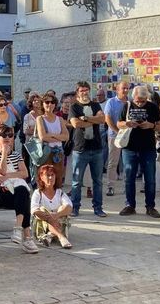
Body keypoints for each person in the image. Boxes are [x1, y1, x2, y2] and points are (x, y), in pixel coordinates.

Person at [0, 125, 39, 254]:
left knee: (22, 192)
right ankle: (27, 237)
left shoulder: (16, 155)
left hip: (16, 192)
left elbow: (25, 173)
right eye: (3, 135)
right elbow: (1, 170)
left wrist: (7, 176)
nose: (7, 138)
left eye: (10, 135)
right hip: (0, 193)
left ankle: (18, 229)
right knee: (24, 197)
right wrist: (4, 153)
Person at [117, 86, 160, 218]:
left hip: (148, 147)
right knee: (129, 178)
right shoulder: (127, 106)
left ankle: (150, 206)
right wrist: (127, 124)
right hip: (129, 147)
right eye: (138, 101)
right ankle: (129, 205)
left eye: (143, 101)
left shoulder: (152, 107)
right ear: (133, 97)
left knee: (150, 178)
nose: (140, 103)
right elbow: (118, 123)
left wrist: (151, 125)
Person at [68, 81, 107, 217]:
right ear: (77, 92)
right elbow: (75, 123)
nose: (84, 92)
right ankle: (75, 208)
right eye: (81, 90)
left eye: (86, 90)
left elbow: (102, 119)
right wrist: (93, 119)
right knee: (76, 182)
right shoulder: (74, 107)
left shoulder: (95, 105)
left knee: (98, 181)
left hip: (96, 148)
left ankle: (98, 208)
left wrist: (86, 118)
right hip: (80, 149)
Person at [31, 165, 73, 249]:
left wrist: (56, 215)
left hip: (59, 222)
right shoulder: (38, 193)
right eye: (47, 175)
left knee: (63, 208)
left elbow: (69, 207)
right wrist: (50, 218)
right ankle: (61, 237)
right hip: (43, 225)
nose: (50, 178)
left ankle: (49, 236)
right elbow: (34, 210)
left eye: (52, 175)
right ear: (41, 177)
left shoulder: (60, 192)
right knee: (42, 210)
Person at [103, 81, 131, 197]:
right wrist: (116, 131)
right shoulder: (111, 102)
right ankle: (110, 186)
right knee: (113, 162)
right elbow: (107, 118)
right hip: (114, 136)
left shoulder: (131, 102)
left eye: (127, 88)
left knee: (127, 163)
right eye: (123, 88)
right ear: (117, 90)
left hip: (129, 137)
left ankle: (127, 186)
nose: (125, 90)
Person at [36, 94, 69, 185]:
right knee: (45, 181)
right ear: (42, 104)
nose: (49, 104)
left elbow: (66, 137)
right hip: (46, 153)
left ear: (55, 104)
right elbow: (43, 137)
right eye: (47, 102)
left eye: (52, 102)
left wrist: (51, 135)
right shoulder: (40, 119)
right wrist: (59, 136)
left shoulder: (60, 119)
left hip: (58, 153)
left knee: (58, 181)